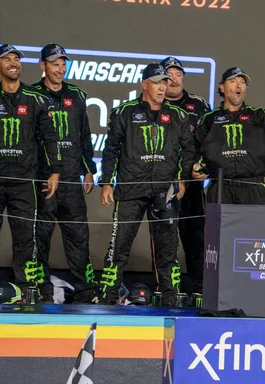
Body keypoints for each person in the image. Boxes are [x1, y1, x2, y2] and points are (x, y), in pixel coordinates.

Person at [98, 63, 195, 306]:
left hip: (164, 190)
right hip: (130, 188)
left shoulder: (178, 115)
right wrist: (107, 182)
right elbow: (111, 150)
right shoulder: (124, 112)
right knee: (119, 245)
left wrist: (182, 178)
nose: (163, 87)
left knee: (167, 248)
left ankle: (170, 296)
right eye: (157, 82)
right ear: (144, 84)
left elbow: (188, 149)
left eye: (165, 82)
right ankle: (108, 294)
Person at [31, 44, 97, 304]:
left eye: (63, 63)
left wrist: (89, 169)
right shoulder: (32, 94)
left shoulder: (77, 95)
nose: (60, 68)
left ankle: (85, 292)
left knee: (79, 238)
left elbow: (84, 136)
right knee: (40, 238)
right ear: (43, 66)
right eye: (54, 63)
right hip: (43, 178)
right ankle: (42, 290)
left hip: (71, 178)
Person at [0, 44, 62, 297]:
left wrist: (55, 171)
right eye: (7, 59)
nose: (13, 63)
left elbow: (50, 137)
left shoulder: (35, 99)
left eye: (17, 59)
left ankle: (25, 289)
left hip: (25, 181)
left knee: (26, 237)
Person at [160, 56, 211, 296]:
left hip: (191, 183)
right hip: (162, 181)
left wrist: (203, 167)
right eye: (168, 74)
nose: (173, 79)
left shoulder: (199, 104)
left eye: (178, 74)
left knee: (196, 238)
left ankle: (200, 290)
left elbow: (211, 141)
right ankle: (167, 290)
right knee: (164, 239)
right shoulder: (154, 103)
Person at [192, 67, 265, 205]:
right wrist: (195, 167)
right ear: (222, 87)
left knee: (260, 227)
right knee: (218, 227)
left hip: (254, 188)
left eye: (242, 82)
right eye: (233, 81)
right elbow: (192, 149)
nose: (239, 85)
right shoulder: (209, 119)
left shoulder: (259, 115)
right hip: (220, 188)